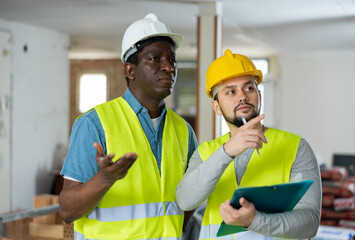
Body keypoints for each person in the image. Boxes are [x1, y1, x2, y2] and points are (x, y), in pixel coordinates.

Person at [59, 13, 198, 240]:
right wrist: (104, 179)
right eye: (155, 58)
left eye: (172, 60)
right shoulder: (94, 124)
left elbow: (191, 195)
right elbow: (67, 210)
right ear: (130, 70)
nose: (168, 67)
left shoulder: (183, 129)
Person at [176, 49, 322, 240]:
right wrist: (227, 151)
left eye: (249, 88)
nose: (242, 96)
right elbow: (185, 200)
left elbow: (309, 223)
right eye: (230, 91)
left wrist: (254, 220)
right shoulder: (206, 152)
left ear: (259, 96)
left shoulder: (296, 147)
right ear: (217, 107)